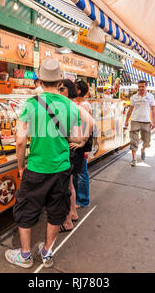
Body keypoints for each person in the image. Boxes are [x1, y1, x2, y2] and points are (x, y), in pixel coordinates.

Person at [5, 59, 84, 269]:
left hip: (37, 168)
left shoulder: (31, 104)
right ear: (60, 81)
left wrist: (21, 166)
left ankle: (24, 255)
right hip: (61, 168)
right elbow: (77, 138)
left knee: (27, 210)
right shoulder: (71, 106)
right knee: (57, 210)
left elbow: (20, 140)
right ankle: (47, 253)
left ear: (39, 80)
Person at [57, 80, 92, 232]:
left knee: (66, 185)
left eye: (61, 88)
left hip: (69, 149)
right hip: (70, 149)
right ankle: (73, 213)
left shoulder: (73, 105)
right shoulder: (70, 105)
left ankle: (68, 219)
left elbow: (90, 123)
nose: (59, 90)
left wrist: (82, 142)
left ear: (68, 90)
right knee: (70, 183)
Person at [124, 80, 155, 166]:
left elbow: (153, 109)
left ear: (146, 87)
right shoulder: (134, 97)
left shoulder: (150, 96)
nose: (141, 88)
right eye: (139, 86)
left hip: (146, 122)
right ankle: (134, 159)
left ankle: (143, 150)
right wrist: (126, 121)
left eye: (142, 86)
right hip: (135, 121)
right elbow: (130, 110)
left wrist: (153, 121)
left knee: (147, 141)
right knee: (134, 141)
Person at [74, 79, 93, 209]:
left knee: (82, 172)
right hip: (77, 141)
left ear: (79, 90)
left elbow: (88, 125)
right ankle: (77, 198)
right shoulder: (76, 103)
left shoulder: (84, 105)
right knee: (77, 171)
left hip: (82, 141)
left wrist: (84, 143)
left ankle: (83, 200)